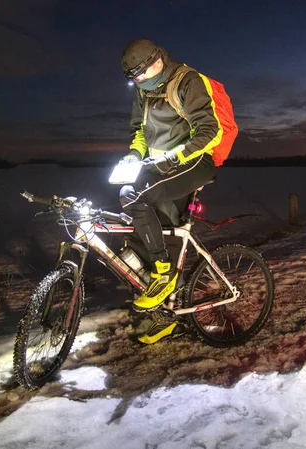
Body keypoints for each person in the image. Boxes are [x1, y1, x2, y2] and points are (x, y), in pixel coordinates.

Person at [119, 38, 229, 344]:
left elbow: (210, 130)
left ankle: (165, 276)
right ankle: (166, 315)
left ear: (156, 61)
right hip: (160, 164)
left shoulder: (186, 81)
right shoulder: (143, 91)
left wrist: (175, 157)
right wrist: (134, 155)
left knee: (140, 199)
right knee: (137, 212)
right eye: (133, 78)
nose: (138, 82)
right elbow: (138, 131)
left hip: (194, 160)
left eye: (140, 74)